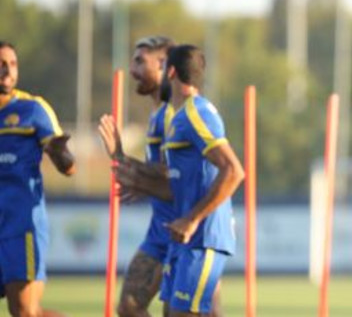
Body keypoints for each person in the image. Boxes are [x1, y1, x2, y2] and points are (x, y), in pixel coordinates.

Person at [107, 44, 244, 317]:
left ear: (170, 72)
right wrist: (136, 177)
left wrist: (192, 219)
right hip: (184, 240)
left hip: (202, 238)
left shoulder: (196, 112)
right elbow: (177, 186)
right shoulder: (179, 116)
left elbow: (234, 171)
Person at [0, 41, 74, 317]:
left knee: (24, 311)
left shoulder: (32, 109)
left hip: (20, 226)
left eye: (12, 64)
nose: (8, 70)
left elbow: (68, 167)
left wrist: (60, 153)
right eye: (1, 64)